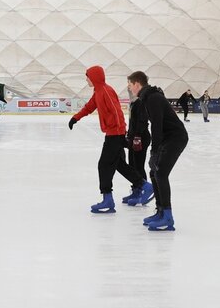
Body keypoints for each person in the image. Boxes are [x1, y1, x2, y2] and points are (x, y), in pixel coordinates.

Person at [68, 66, 144, 214]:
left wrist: (120, 132)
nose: (86, 79)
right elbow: (89, 107)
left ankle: (108, 199)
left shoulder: (106, 91)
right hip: (113, 132)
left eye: (88, 77)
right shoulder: (98, 91)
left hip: (114, 133)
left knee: (104, 165)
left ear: (94, 77)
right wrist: (75, 117)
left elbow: (117, 112)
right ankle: (143, 186)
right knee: (118, 164)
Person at [130, 71, 189, 231]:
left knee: (160, 173)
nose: (129, 88)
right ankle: (160, 211)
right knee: (154, 172)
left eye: (130, 85)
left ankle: (167, 217)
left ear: (137, 84)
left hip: (176, 137)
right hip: (167, 138)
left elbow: (156, 125)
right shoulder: (147, 98)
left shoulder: (153, 98)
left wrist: (154, 151)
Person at [120, 74, 155, 207]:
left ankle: (143, 190)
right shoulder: (134, 102)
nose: (128, 87)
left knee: (138, 165)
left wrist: (137, 137)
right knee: (132, 164)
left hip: (140, 137)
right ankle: (136, 189)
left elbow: (142, 121)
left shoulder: (140, 102)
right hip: (134, 136)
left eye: (130, 84)